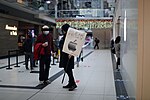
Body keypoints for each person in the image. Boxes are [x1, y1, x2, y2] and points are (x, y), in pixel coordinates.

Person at [59, 24, 77, 91]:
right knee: (66, 69)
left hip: (68, 56)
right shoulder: (64, 36)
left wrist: (71, 53)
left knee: (68, 69)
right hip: (64, 55)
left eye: (63, 30)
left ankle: (73, 84)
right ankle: (70, 83)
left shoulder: (70, 37)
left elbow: (73, 45)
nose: (62, 31)